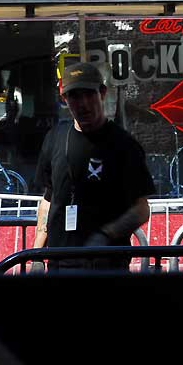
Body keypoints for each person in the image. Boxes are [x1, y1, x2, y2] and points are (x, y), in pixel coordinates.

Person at [30, 62, 155, 272]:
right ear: (65, 99)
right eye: (74, 96)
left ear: (102, 93)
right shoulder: (54, 138)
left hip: (107, 264)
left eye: (88, 94)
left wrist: (106, 234)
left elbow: (142, 209)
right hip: (59, 261)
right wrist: (36, 255)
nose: (83, 103)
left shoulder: (124, 145)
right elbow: (49, 199)